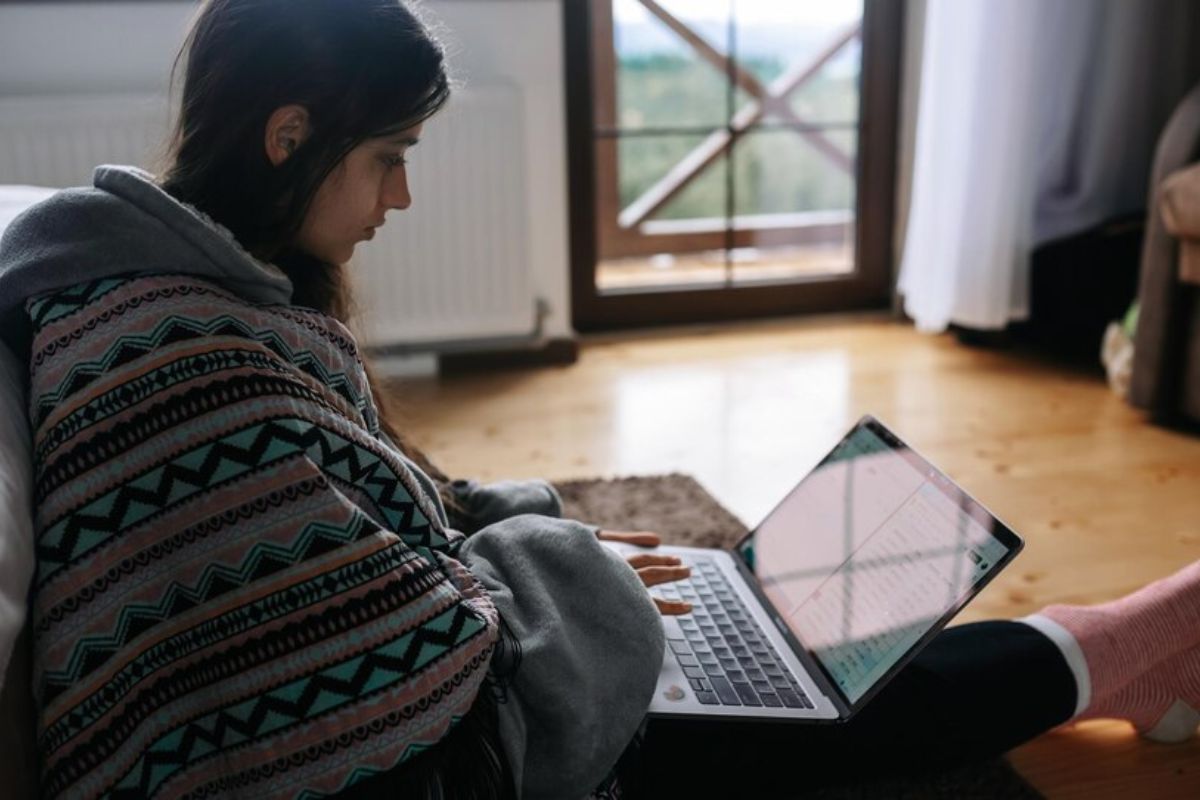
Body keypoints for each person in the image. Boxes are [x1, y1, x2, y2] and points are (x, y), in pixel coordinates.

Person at [0, 1, 1195, 797]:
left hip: (411, 677)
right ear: (288, 134)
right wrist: (564, 569)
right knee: (813, 722)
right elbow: (392, 685)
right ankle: (1134, 641)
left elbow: (351, 510)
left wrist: (535, 535)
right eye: (387, 158)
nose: (400, 199)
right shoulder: (189, 357)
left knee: (785, 648)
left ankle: (1116, 647)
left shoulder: (156, 285)